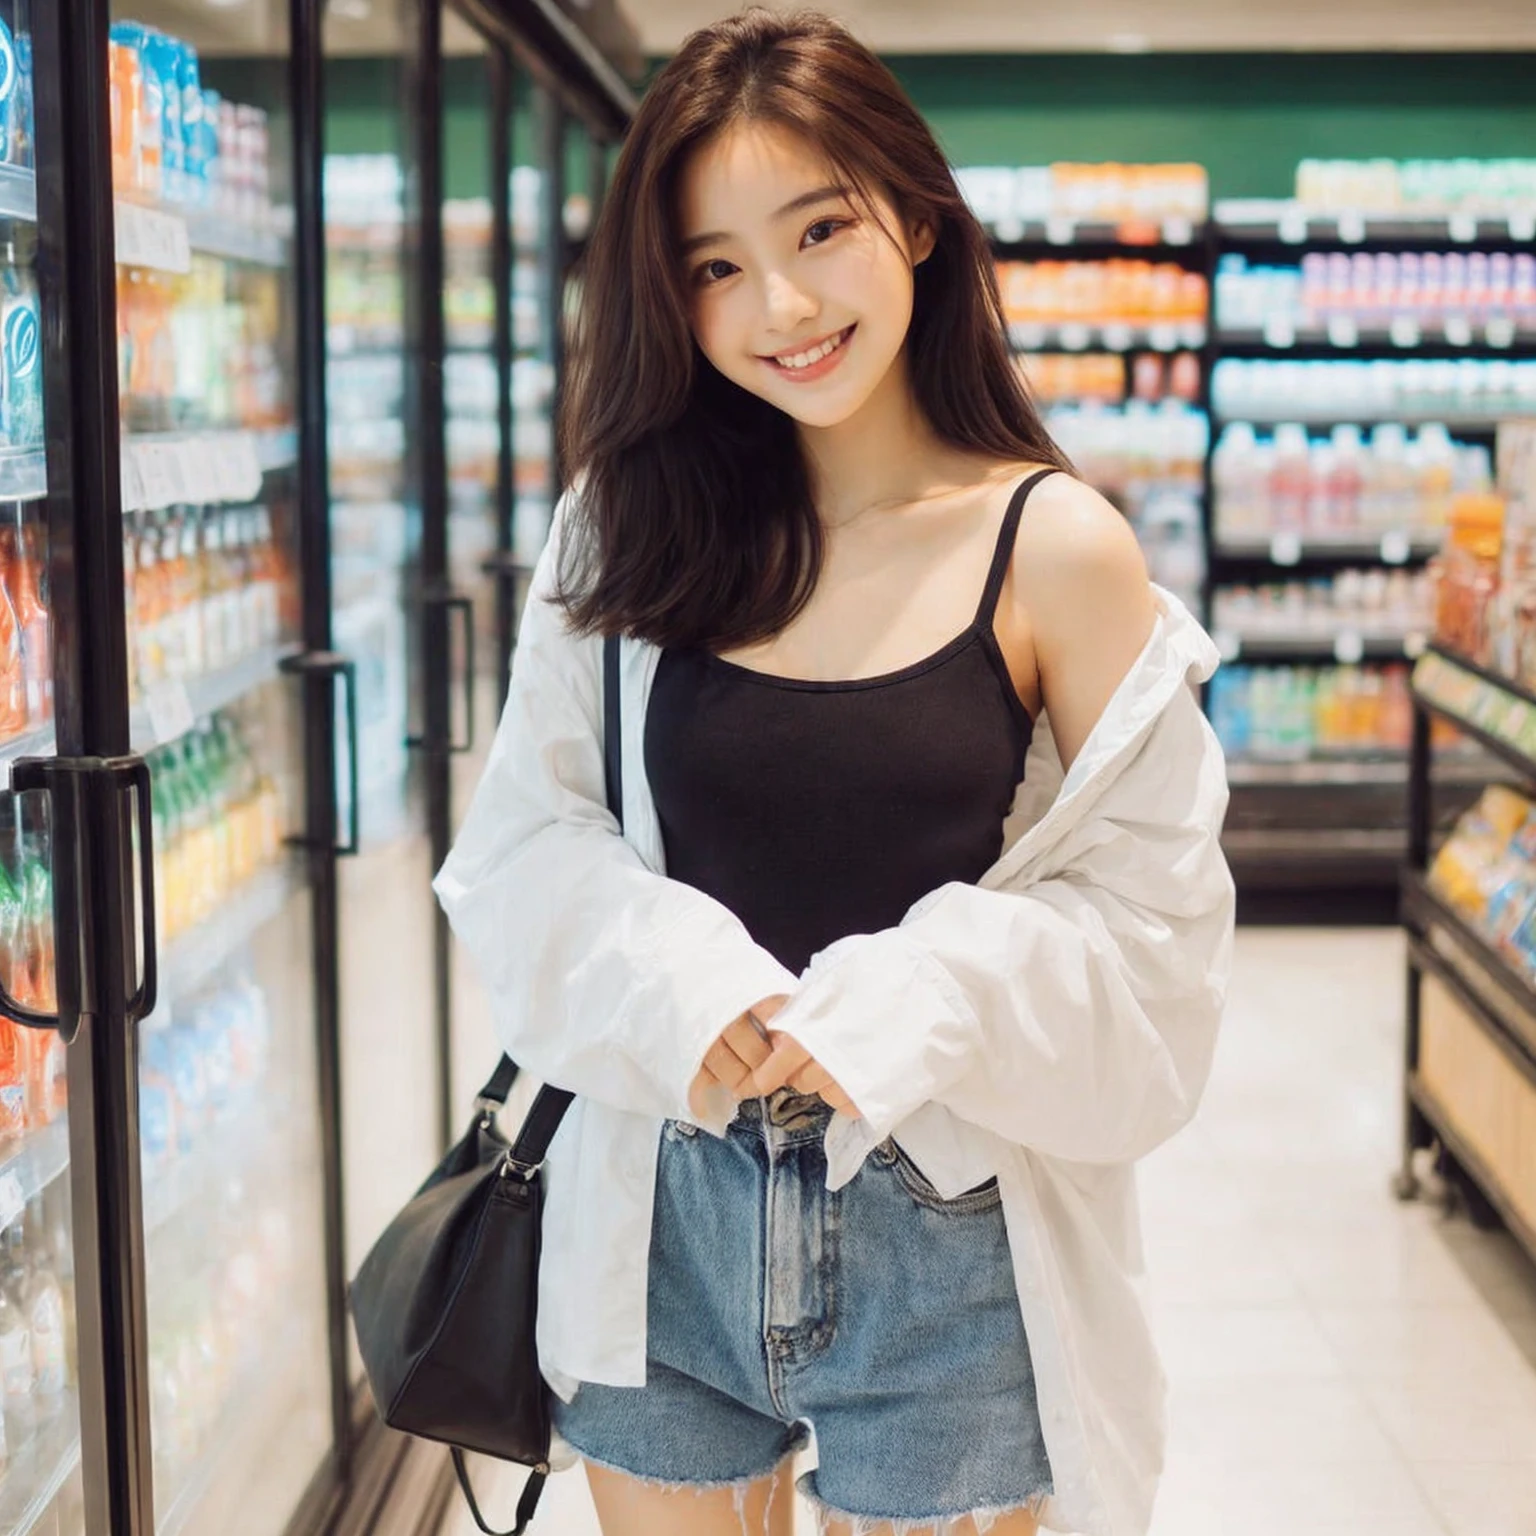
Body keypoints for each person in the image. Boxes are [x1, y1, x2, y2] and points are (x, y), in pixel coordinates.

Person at [434, 10, 1234, 1536]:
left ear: (918, 219)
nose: (780, 304)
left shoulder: (1053, 546)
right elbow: (526, 842)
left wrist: (921, 995)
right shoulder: (627, 525)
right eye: (716, 265)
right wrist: (681, 976)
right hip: (661, 1208)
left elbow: (1158, 947)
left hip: (948, 1236)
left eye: (821, 229)